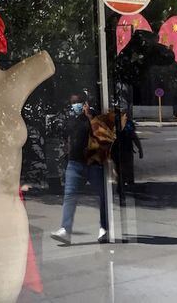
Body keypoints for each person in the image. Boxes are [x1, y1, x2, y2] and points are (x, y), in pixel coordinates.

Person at [50, 93, 109, 245]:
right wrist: (67, 148)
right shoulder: (72, 120)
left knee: (102, 196)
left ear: (85, 103)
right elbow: (68, 136)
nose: (74, 105)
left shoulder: (94, 117)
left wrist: (89, 116)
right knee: (70, 196)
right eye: (72, 102)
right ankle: (65, 230)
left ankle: (104, 228)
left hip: (93, 164)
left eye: (77, 102)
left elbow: (101, 135)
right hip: (74, 163)